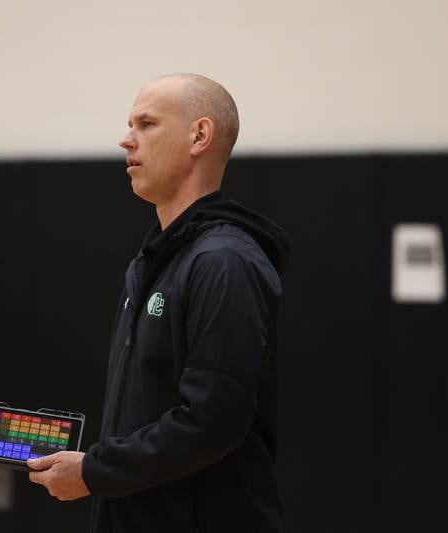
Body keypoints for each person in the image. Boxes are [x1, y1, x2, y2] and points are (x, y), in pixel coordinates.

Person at [28, 73, 291, 533]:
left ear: (199, 136)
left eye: (146, 124)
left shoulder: (223, 261)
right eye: (130, 124)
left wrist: (94, 471)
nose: (125, 140)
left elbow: (212, 421)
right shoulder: (155, 260)